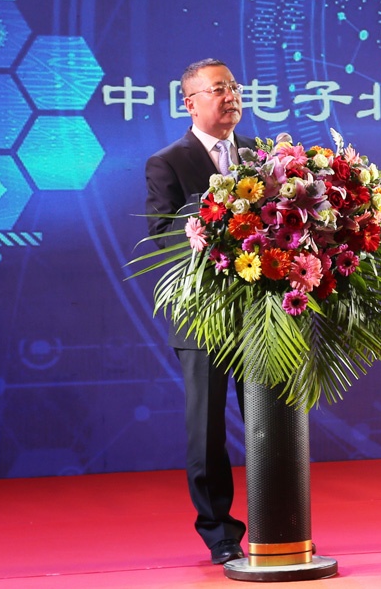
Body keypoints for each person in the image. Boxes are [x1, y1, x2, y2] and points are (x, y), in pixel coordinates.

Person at [145, 58, 254, 565]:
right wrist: (197, 228)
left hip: (264, 314)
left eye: (233, 87)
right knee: (207, 431)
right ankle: (220, 533)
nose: (230, 96)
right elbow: (159, 237)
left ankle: (278, 520)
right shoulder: (168, 161)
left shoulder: (261, 155)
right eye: (218, 89)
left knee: (269, 423)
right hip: (202, 316)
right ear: (190, 103)